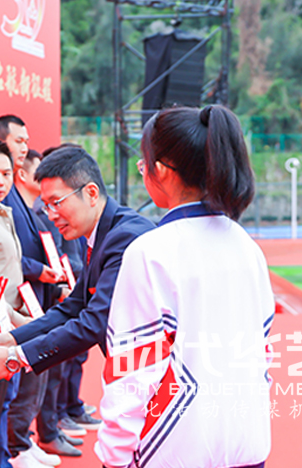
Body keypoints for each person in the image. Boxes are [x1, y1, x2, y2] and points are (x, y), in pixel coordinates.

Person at [95, 105, 273, 468]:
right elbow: (262, 356)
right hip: (248, 442)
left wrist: (114, 456)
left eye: (143, 165)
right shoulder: (247, 247)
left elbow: (132, 370)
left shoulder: (150, 252)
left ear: (160, 170)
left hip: (172, 450)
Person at [0, 146, 155, 405]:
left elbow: (94, 321)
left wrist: (16, 357)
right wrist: (11, 338)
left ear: (91, 193)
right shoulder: (105, 233)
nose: (51, 215)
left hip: (156, 375)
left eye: (57, 202)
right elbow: (73, 307)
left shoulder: (124, 238)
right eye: (46, 206)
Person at [0, 115, 79, 466]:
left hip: (33, 304)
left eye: (27, 141)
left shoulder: (20, 205)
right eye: (19, 141)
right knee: (7, 392)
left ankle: (21, 442)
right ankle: (15, 446)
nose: (25, 147)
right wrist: (42, 271)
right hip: (8, 309)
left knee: (29, 382)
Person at [0, 141, 60, 468]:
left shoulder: (4, 213)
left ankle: (9, 455)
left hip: (13, 317)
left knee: (5, 401)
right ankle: (6, 456)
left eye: (6, 174)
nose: (0, 181)